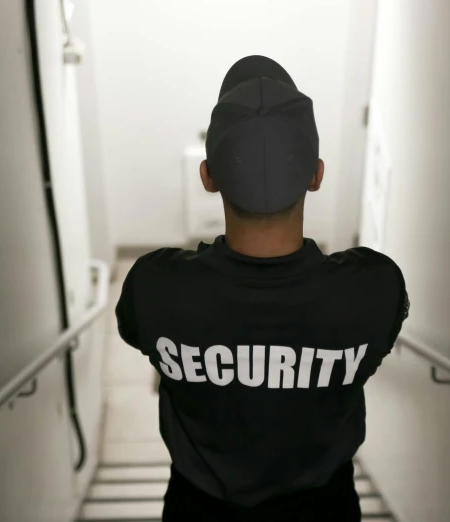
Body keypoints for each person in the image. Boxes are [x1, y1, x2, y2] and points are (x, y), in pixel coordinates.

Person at [116, 55, 409, 522]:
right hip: (325, 510)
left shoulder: (156, 287)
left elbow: (136, 332)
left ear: (207, 176)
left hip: (197, 510)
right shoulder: (373, 289)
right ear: (316, 175)